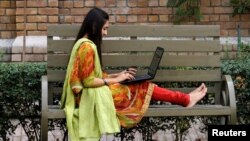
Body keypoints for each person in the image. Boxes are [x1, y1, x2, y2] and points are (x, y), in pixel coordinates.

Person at [60, 7, 207, 141]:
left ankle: (185, 99)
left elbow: (93, 75)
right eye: (104, 29)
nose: (105, 33)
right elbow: (88, 81)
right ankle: (185, 99)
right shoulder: (87, 47)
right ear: (94, 26)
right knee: (142, 85)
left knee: (140, 84)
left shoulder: (84, 43)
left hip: (93, 93)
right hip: (88, 97)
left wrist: (117, 75)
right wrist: (117, 79)